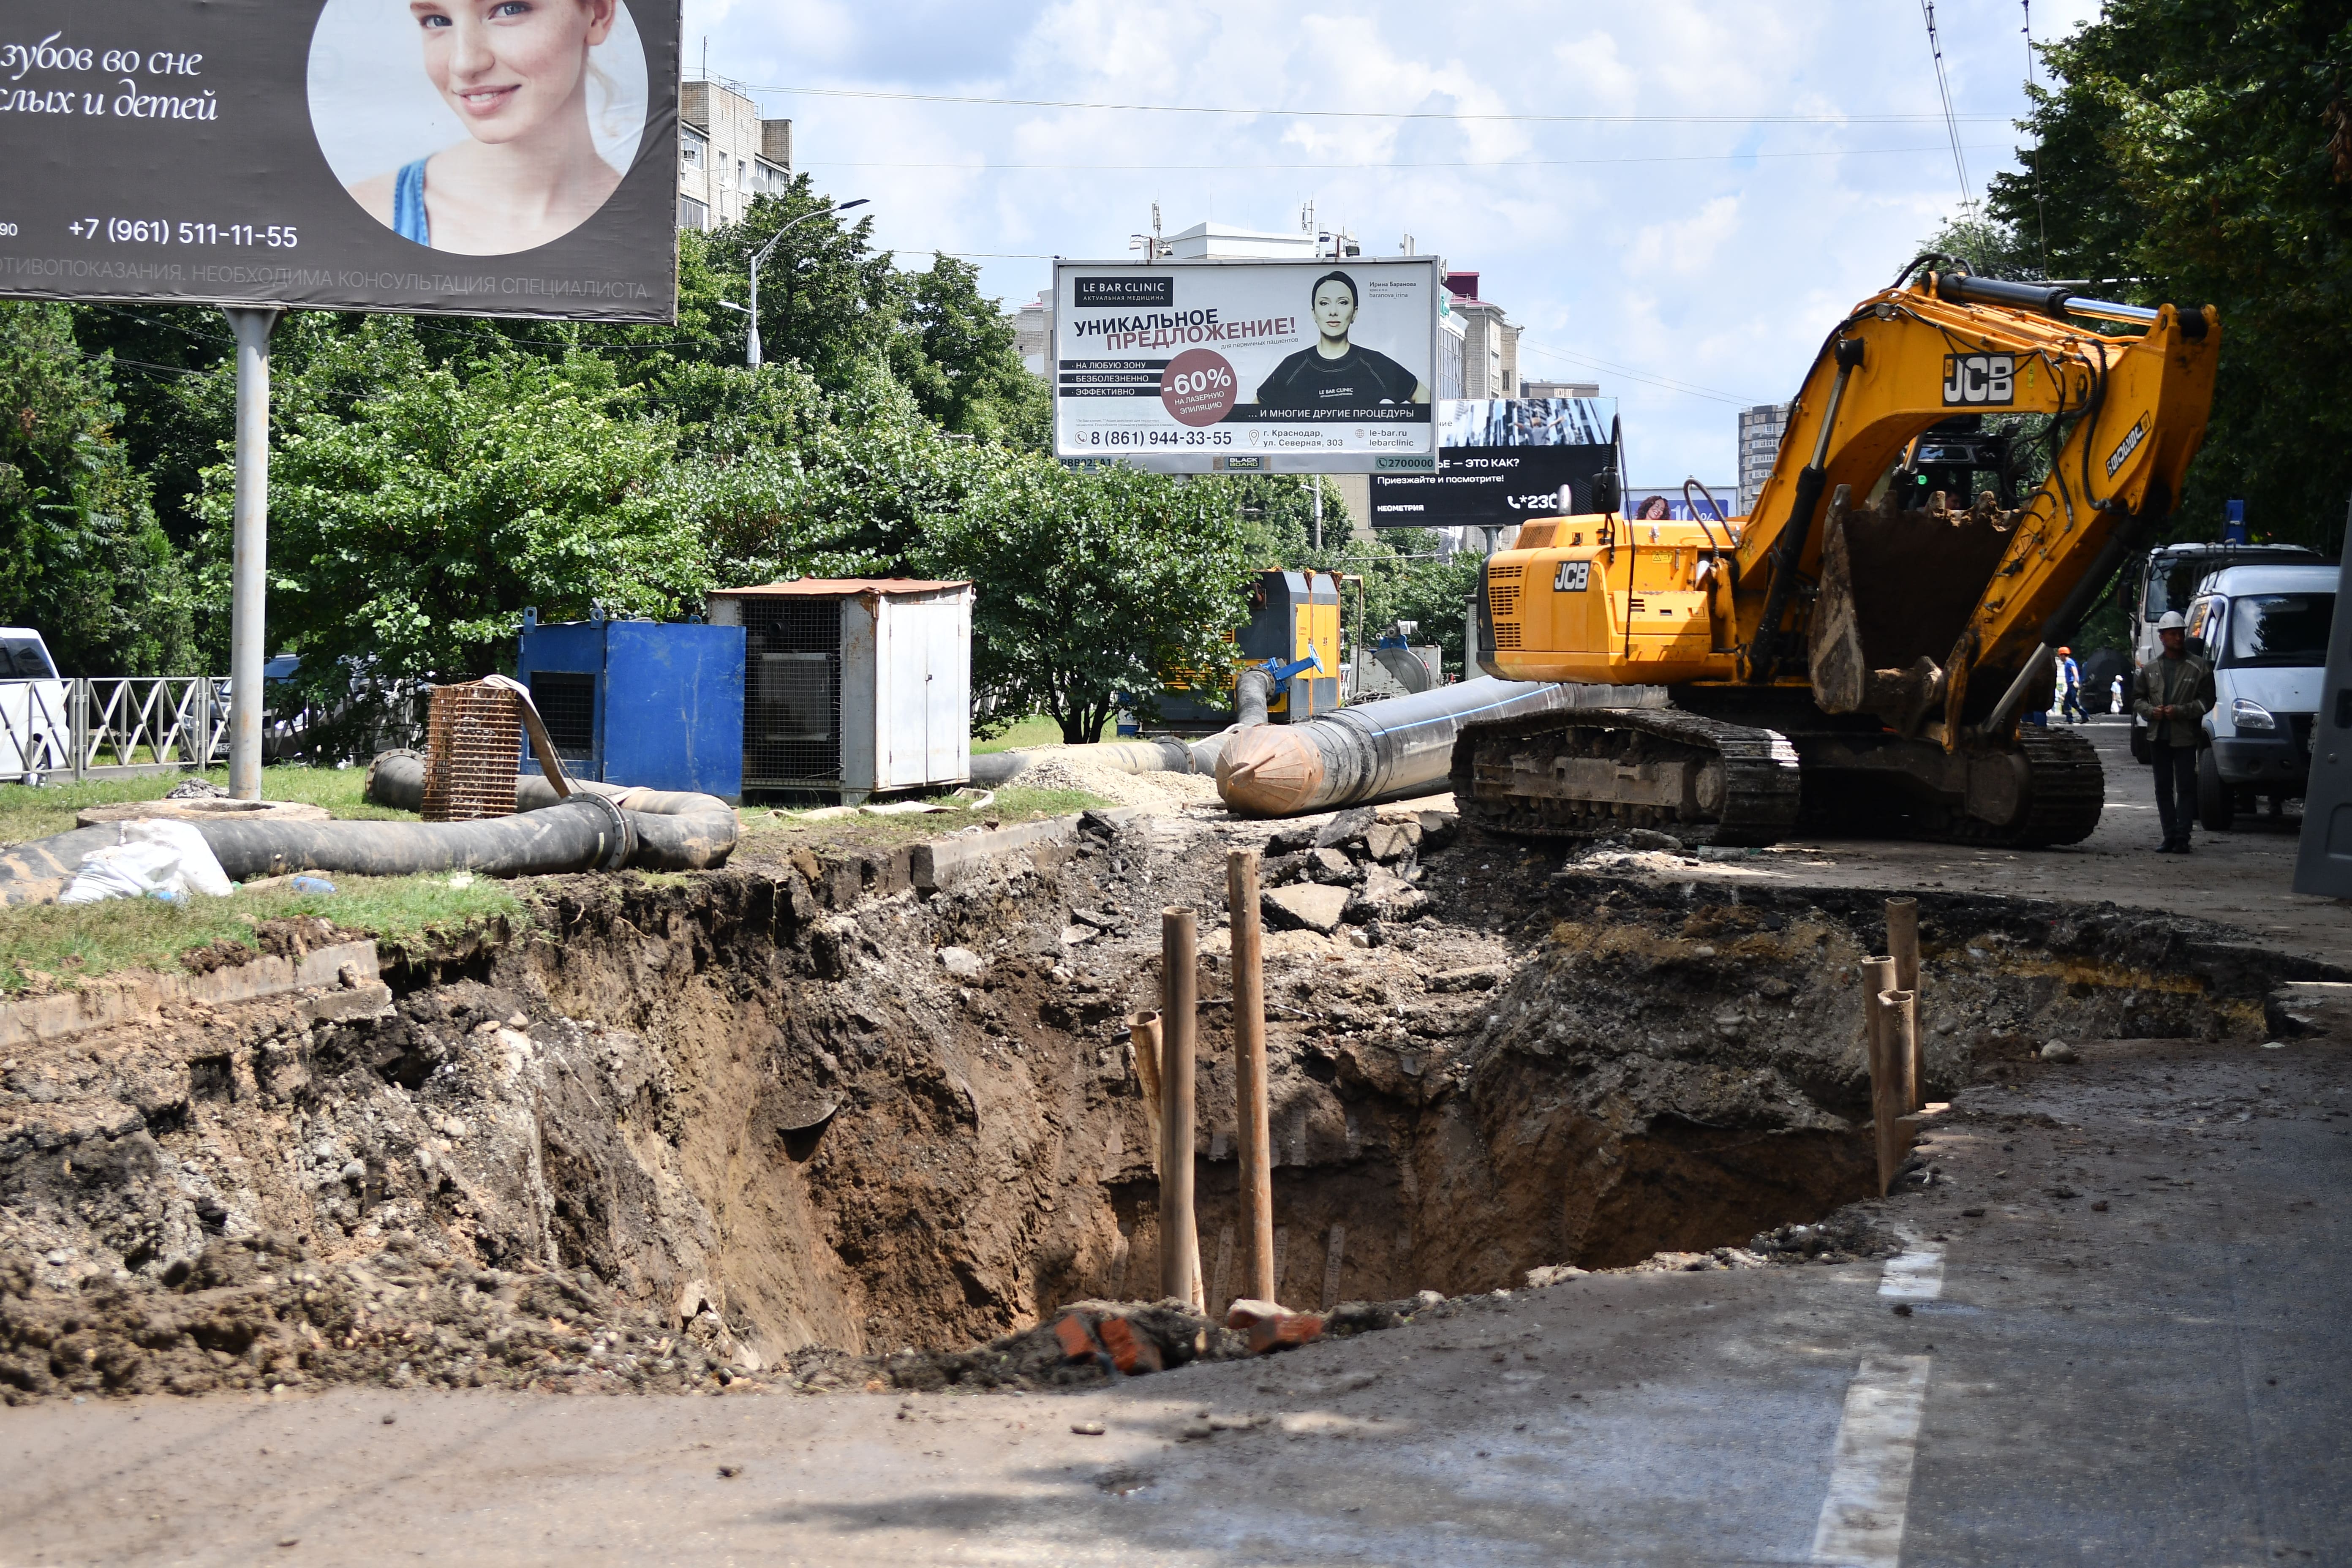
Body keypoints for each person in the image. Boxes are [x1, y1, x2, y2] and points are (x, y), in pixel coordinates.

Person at [348, 0, 623, 256]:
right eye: (437, 20)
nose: (464, 63)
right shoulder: (363, 214)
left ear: (597, 13)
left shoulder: (656, 224)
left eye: (510, 9)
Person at [1254, 271, 1431, 409]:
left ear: (1355, 313)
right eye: (1324, 303)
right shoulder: (1292, 366)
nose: (1333, 312)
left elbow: (1423, 396)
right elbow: (1253, 413)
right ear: (1313, 313)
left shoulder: (1376, 364)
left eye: (1343, 303)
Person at [2132, 610, 2216, 853]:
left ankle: (2183, 837)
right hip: (2158, 737)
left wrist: (2181, 711)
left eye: (2180, 634)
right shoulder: (2150, 669)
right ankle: (2169, 836)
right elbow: (2137, 700)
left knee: (2187, 787)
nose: (2177, 638)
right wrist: (2150, 711)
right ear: (2162, 637)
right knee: (2163, 788)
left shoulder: (2199, 668)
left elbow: (2207, 702)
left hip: (2185, 737)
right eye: (2172, 634)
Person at [2058, 645, 2085, 723]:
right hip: (2072, 684)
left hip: (2072, 684)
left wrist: (2075, 681)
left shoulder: (2069, 662)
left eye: (2060, 656)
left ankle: (2070, 719)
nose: (2060, 657)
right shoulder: (2069, 662)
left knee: (2067, 702)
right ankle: (2084, 716)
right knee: (2073, 702)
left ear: (2063, 655)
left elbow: (2075, 671)